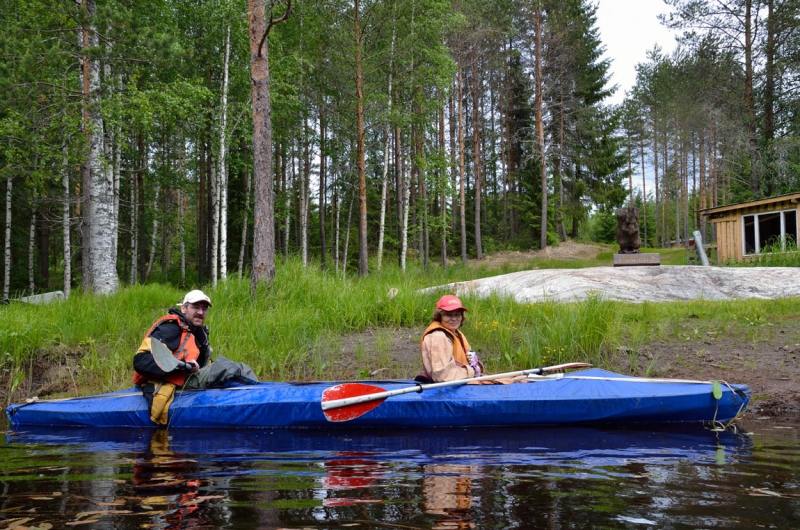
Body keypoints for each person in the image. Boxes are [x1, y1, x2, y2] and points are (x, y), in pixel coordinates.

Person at [134, 290, 215, 424]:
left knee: (227, 367)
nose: (201, 312)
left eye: (204, 309)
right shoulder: (170, 328)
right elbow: (141, 361)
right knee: (229, 368)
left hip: (188, 379)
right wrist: (181, 366)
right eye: (196, 307)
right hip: (171, 382)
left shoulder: (198, 333)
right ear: (183, 308)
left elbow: (205, 364)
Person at [419, 295, 485, 382]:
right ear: (440, 316)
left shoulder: (457, 333)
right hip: (447, 388)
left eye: (457, 315)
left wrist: (475, 363)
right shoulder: (438, 337)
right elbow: (442, 376)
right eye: (448, 315)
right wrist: (473, 371)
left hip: (461, 382)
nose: (454, 319)